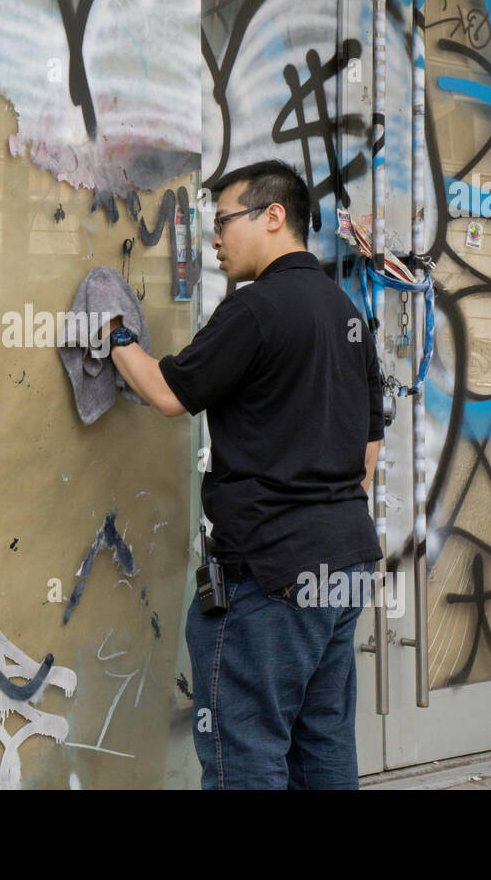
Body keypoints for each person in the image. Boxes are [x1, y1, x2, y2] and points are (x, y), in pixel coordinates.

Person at [104, 159, 384, 789]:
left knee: (245, 752)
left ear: (274, 216)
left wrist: (115, 332)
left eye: (225, 219)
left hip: (270, 575)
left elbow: (168, 393)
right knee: (324, 743)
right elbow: (368, 455)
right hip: (342, 567)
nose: (215, 238)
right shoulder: (348, 316)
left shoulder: (254, 310)